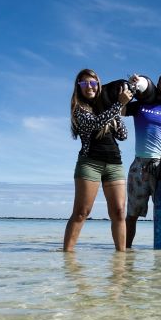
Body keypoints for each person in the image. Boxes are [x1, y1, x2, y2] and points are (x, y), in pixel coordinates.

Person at [63, 69, 133, 252]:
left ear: (98, 85)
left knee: (118, 212)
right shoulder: (79, 109)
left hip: (114, 163)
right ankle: (67, 257)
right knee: (81, 213)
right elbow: (94, 124)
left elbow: (123, 135)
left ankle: (121, 258)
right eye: (84, 84)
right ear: (79, 87)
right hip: (90, 163)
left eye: (93, 83)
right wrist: (118, 105)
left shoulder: (108, 106)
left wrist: (116, 107)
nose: (89, 87)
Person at [122, 70, 161, 248]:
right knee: (132, 214)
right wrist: (131, 87)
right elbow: (120, 109)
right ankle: (126, 256)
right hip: (138, 167)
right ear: (157, 85)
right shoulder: (140, 105)